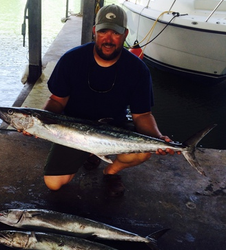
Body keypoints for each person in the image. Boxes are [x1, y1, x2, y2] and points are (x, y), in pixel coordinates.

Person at [41, 4, 178, 197]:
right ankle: (89, 153)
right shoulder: (71, 60)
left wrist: (158, 138)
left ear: (125, 35)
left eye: (115, 33)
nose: (108, 39)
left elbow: (142, 115)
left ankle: (110, 171)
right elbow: (57, 101)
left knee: (143, 151)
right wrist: (39, 122)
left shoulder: (138, 70)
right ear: (94, 31)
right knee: (53, 184)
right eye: (103, 31)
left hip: (115, 127)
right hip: (75, 128)